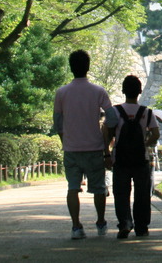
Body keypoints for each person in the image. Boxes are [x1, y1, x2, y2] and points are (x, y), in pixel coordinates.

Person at [53, 50, 116, 240]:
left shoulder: (62, 92)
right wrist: (106, 135)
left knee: (73, 187)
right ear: (88, 67)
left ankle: (76, 226)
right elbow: (112, 117)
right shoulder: (98, 91)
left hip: (71, 148)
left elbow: (57, 122)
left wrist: (65, 140)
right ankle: (100, 222)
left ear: (71, 67)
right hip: (94, 147)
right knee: (98, 188)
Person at [105, 74, 160, 239]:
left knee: (121, 193)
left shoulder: (114, 111)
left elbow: (107, 133)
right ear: (140, 91)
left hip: (120, 159)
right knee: (142, 194)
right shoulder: (147, 112)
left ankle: (125, 223)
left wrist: (107, 154)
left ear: (123, 91)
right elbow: (156, 134)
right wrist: (145, 143)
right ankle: (141, 227)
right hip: (140, 159)